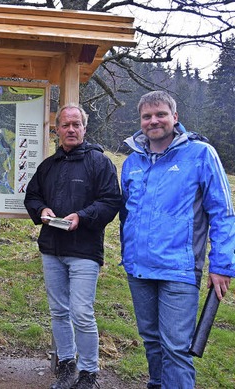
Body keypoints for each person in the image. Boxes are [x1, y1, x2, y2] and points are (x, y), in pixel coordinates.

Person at [120, 90, 235, 389]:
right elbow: (127, 213)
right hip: (139, 268)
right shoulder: (132, 161)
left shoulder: (200, 155)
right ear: (140, 121)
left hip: (178, 270)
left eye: (160, 114)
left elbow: (222, 213)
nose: (153, 121)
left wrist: (222, 264)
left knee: (176, 349)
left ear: (175, 117)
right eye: (147, 116)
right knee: (152, 342)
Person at [24, 103, 122, 389]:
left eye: (76, 124)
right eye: (65, 125)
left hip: (84, 251)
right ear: (57, 130)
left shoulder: (99, 162)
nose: (71, 129)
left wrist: (82, 216)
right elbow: (32, 197)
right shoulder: (48, 166)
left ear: (84, 128)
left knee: (81, 311)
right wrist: (41, 210)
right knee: (58, 310)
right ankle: (66, 365)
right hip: (51, 249)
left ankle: (89, 373)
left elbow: (110, 202)